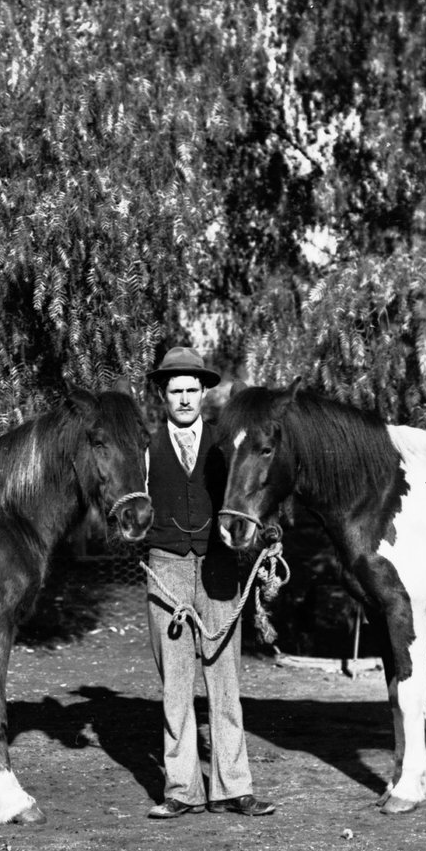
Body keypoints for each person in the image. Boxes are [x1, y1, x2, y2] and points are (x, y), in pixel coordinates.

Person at [142, 345, 275, 819]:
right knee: (175, 684)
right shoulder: (144, 445)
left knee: (225, 680)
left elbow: (256, 490)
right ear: (163, 394)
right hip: (167, 568)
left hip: (219, 567)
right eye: (174, 390)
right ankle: (181, 790)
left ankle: (233, 788)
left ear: (204, 392)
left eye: (191, 390)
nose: (183, 398)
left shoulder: (227, 442)